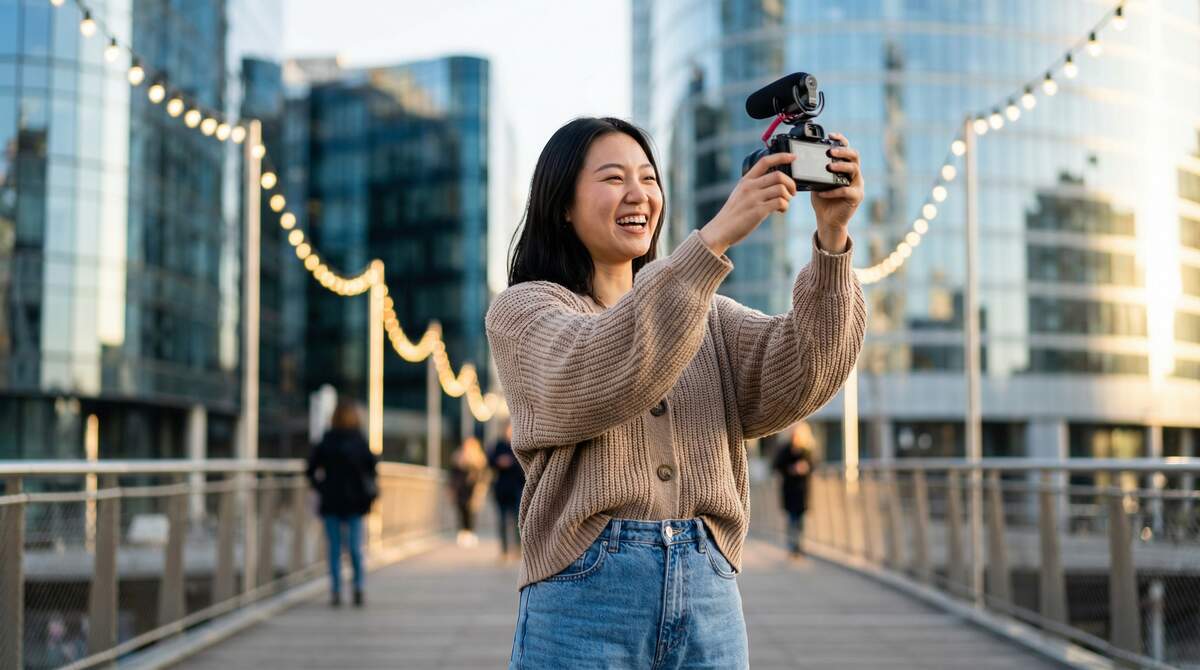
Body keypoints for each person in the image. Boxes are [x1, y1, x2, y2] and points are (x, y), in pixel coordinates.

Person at [486, 116, 866, 668]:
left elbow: (804, 372)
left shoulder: (706, 315)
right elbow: (594, 371)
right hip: (583, 598)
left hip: (708, 592)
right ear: (562, 204)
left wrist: (832, 240)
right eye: (613, 179)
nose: (638, 194)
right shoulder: (524, 311)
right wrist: (716, 236)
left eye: (647, 177)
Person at [305, 398, 378, 607]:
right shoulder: (357, 441)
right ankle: (354, 587)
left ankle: (341, 589)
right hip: (351, 501)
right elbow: (372, 469)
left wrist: (321, 486)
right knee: (352, 548)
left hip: (336, 501)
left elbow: (310, 470)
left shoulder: (329, 440)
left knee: (337, 549)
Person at [773, 421, 816, 558]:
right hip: (789, 492)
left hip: (803, 492)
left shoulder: (807, 451)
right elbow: (776, 466)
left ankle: (799, 546)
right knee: (792, 520)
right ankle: (792, 546)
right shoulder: (785, 450)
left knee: (801, 521)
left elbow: (814, 466)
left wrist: (805, 468)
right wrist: (790, 469)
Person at [488, 422, 525, 560]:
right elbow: (490, 462)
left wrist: (511, 463)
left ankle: (518, 548)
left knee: (517, 520)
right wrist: (499, 462)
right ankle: (504, 551)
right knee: (502, 521)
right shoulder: (498, 445)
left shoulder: (519, 444)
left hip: (517, 488)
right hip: (501, 489)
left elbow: (524, 465)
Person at [449, 435, 488, 547]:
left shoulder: (479, 458)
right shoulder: (457, 457)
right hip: (460, 489)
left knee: (471, 511)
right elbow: (453, 474)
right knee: (461, 510)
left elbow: (483, 475)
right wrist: (451, 488)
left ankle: (470, 533)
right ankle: (463, 533)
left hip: (473, 489)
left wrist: (480, 486)